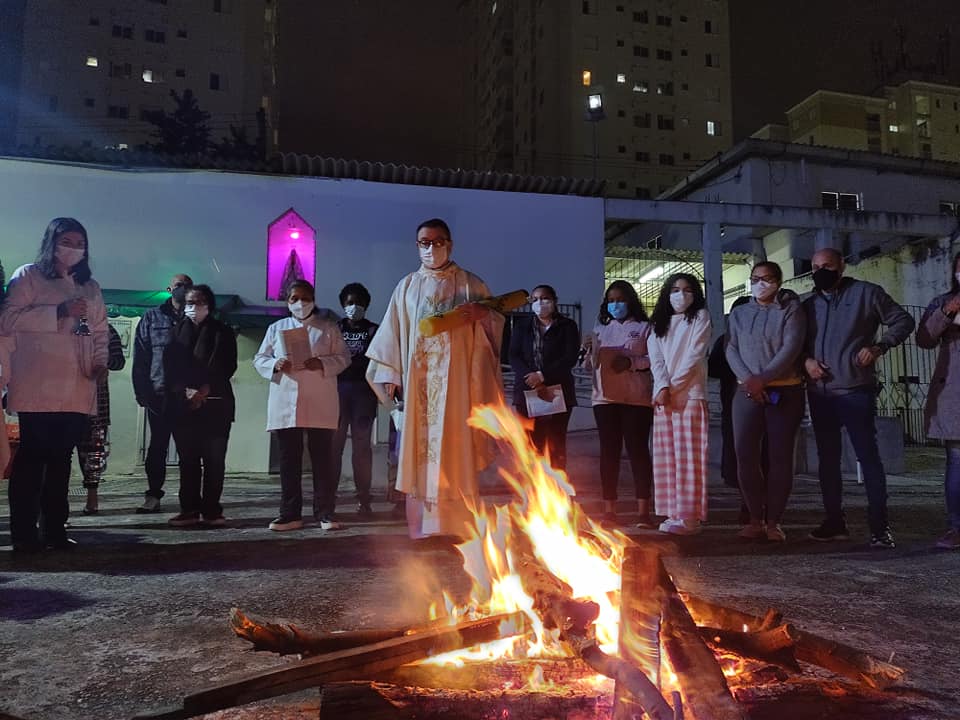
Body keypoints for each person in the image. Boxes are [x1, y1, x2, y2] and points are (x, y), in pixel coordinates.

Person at [366, 218, 504, 541]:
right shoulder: (407, 287)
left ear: (450, 244)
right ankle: (423, 529)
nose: (431, 248)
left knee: (457, 448)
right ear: (417, 246)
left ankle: (458, 527)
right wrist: (391, 375)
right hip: (420, 386)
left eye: (437, 241)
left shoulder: (471, 284)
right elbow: (392, 333)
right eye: (424, 242)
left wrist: (483, 316)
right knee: (420, 452)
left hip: (458, 385)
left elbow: (496, 324)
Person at [0, 218, 109, 551]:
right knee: (33, 460)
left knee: (61, 461)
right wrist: (57, 312)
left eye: (80, 243)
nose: (73, 249)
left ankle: (55, 530)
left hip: (76, 386)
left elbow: (101, 330)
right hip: (38, 385)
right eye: (67, 241)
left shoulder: (89, 286)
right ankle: (24, 534)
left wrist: (100, 361)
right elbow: (7, 319)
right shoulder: (28, 276)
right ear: (52, 242)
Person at [803, 247, 914, 548]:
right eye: (814, 267)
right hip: (820, 394)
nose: (820, 271)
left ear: (841, 266)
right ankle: (834, 523)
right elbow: (797, 342)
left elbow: (903, 320)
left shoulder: (867, 293)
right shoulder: (808, 304)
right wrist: (807, 363)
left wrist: (879, 347)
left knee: (868, 459)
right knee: (827, 461)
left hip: (855, 392)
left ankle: (880, 528)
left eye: (826, 265)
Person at [254, 280, 351, 531]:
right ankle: (290, 513)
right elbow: (260, 358)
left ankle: (325, 512)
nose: (300, 303)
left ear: (314, 299)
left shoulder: (328, 328)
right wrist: (275, 364)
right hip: (286, 401)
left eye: (305, 298)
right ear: (287, 301)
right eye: (295, 298)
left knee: (322, 460)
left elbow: (344, 357)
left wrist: (322, 364)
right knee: (289, 461)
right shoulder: (277, 328)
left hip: (319, 401)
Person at [726, 262, 806, 542]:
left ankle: (774, 522)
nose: (761, 283)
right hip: (746, 392)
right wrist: (750, 380)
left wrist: (765, 378)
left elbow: (791, 347)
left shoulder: (791, 310)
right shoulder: (738, 313)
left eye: (768, 278)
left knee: (781, 458)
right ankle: (755, 519)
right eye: (756, 279)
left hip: (785, 391)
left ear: (779, 281)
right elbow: (731, 348)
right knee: (745, 456)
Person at [582, 280, 654, 526]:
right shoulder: (601, 329)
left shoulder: (646, 328)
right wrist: (588, 352)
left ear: (631, 300)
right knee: (608, 453)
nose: (615, 305)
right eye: (611, 301)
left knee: (638, 452)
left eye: (620, 300)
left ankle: (643, 510)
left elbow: (654, 359)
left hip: (636, 398)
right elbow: (589, 366)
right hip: (604, 399)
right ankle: (609, 509)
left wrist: (631, 362)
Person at [164, 284, 237, 528]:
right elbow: (170, 366)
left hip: (216, 404)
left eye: (200, 302)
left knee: (214, 460)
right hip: (185, 405)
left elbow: (227, 366)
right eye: (190, 303)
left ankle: (212, 510)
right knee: (188, 460)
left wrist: (204, 390)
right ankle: (189, 509)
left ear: (210, 305)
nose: (195, 307)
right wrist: (185, 391)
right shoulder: (175, 332)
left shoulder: (222, 332)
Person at [648, 273, 711, 535]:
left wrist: (671, 388)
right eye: (675, 289)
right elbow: (656, 360)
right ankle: (673, 512)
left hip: (690, 395)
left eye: (687, 290)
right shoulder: (658, 325)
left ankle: (689, 518)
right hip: (664, 397)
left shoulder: (700, 318)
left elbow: (694, 356)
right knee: (666, 458)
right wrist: (662, 386)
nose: (680, 295)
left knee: (689, 457)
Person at [132, 274, 193, 513]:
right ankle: (153, 496)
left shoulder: (196, 318)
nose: (183, 290)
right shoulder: (152, 317)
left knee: (189, 450)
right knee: (157, 448)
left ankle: (189, 500)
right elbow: (141, 356)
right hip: (158, 395)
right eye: (178, 286)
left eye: (187, 285)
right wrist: (141, 390)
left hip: (188, 397)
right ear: (169, 289)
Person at [509, 284, 580, 472]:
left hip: (558, 392)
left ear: (554, 301)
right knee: (531, 444)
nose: (540, 303)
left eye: (545, 298)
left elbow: (569, 357)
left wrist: (542, 376)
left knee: (556, 442)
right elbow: (514, 355)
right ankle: (533, 491)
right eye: (535, 299)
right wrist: (531, 378)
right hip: (527, 392)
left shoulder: (567, 326)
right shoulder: (521, 326)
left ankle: (557, 490)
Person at [915, 251, 960, 550]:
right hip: (954, 393)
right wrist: (949, 310)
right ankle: (956, 527)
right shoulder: (942, 302)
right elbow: (924, 339)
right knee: (957, 461)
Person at [332, 282, 380, 516]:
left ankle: (364, 500)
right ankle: (328, 498)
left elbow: (377, 362)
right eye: (350, 303)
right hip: (337, 393)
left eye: (359, 303)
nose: (354, 307)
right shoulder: (335, 329)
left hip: (364, 395)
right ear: (343, 304)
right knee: (334, 447)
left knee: (362, 449)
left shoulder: (374, 330)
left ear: (366, 305)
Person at [707, 295, 754, 524]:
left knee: (756, 456)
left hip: (761, 404)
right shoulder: (725, 341)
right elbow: (713, 369)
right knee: (738, 456)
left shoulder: (764, 340)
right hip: (733, 405)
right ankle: (747, 503)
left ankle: (754, 506)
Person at [77, 323, 125, 514]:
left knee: (93, 452)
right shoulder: (65, 324)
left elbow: (119, 361)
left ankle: (92, 497)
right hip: (66, 399)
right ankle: (55, 505)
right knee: (60, 455)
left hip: (97, 402)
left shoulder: (107, 329)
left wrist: (102, 362)